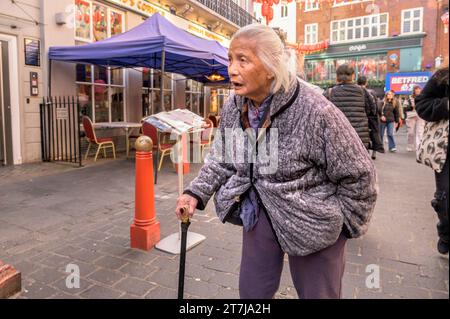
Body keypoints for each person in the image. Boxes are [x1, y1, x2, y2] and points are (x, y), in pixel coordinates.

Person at [175, 24, 378, 299]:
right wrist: (195, 192)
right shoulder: (235, 106)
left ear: (271, 66)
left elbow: (359, 173)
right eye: (230, 59)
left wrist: (345, 225)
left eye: (242, 60)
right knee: (252, 294)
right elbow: (222, 157)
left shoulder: (315, 110)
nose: (231, 69)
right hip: (259, 212)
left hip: (312, 220)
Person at [416, 66, 449, 254]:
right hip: (445, 151)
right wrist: (446, 106)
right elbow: (422, 105)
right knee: (446, 199)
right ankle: (446, 232)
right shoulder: (443, 76)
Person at [323, 64, 371, 150]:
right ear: (353, 76)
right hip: (360, 138)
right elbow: (371, 111)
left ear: (337, 77)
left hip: (337, 138)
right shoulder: (362, 91)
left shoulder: (329, 93)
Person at [357, 75, 385, 160]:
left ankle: (364, 152)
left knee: (362, 135)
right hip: (371, 117)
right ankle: (374, 150)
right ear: (366, 83)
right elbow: (375, 105)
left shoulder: (355, 91)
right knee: (373, 134)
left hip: (360, 115)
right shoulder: (371, 92)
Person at [403, 85, 425, 152]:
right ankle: (410, 145)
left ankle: (419, 146)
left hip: (420, 116)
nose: (418, 91)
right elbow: (405, 108)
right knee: (411, 132)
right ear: (414, 90)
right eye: (416, 89)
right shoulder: (409, 98)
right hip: (411, 116)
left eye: (419, 89)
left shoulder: (423, 97)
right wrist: (412, 107)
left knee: (420, 132)